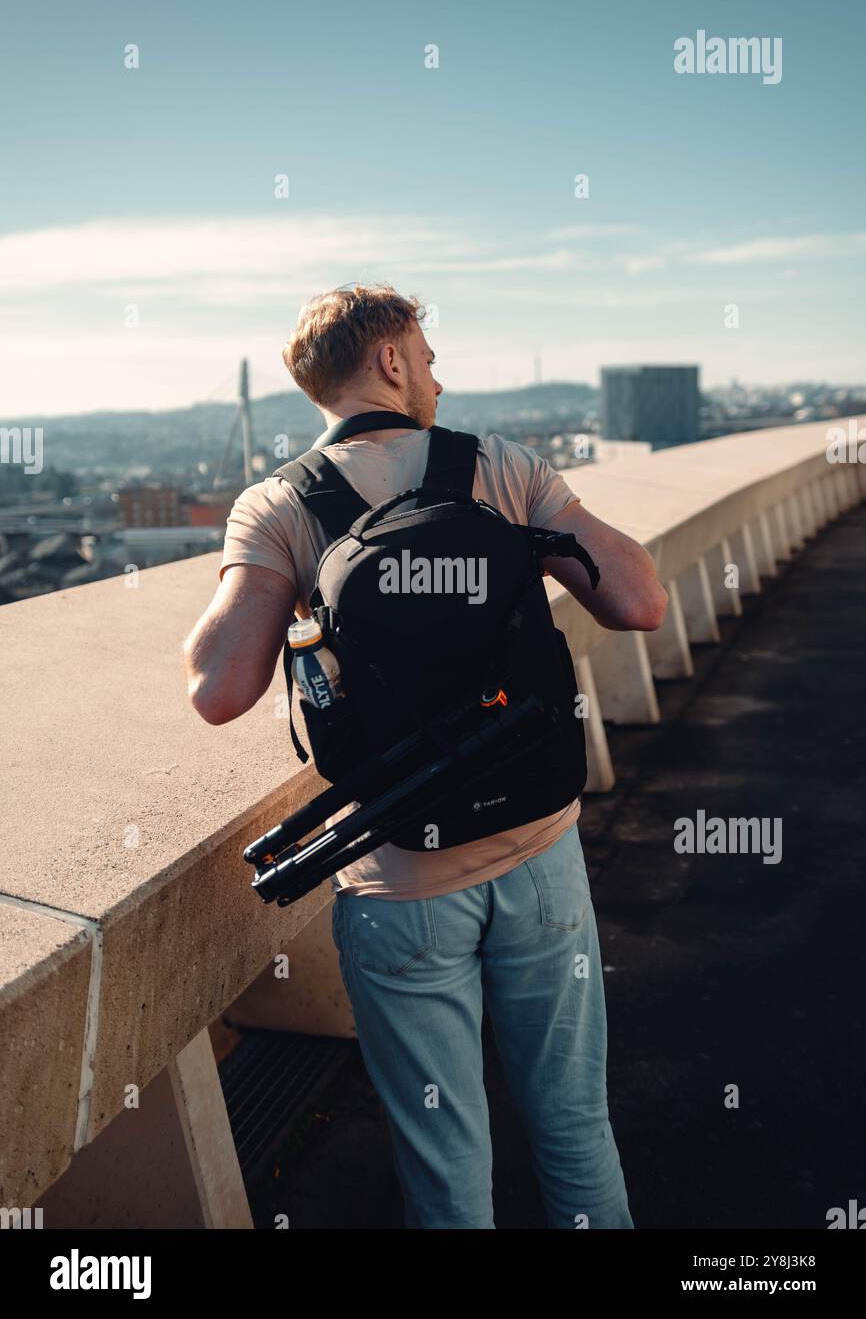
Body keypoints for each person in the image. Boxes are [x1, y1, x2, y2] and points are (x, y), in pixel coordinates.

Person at [183, 283, 668, 1229]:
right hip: (539, 855)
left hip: (397, 882)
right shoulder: (499, 467)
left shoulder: (278, 504)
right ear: (392, 362)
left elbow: (216, 691)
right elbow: (639, 601)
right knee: (573, 1125)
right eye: (428, 358)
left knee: (446, 1165)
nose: (438, 378)